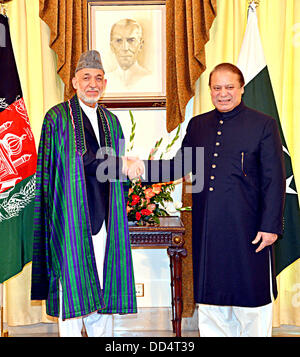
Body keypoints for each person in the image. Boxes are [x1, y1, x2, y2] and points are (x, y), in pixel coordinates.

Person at [135, 63, 286, 337]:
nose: (223, 94)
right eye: (217, 88)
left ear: (241, 89)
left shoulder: (263, 124)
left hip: (250, 232)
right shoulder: (199, 125)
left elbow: (274, 179)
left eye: (229, 87)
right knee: (213, 307)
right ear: (210, 90)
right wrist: (139, 169)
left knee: (252, 306)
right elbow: (179, 166)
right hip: (210, 232)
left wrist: (271, 226)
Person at [31, 50, 139, 337]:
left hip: (106, 218)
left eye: (99, 79)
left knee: (104, 286)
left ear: (105, 84)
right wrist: (124, 165)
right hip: (71, 221)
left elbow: (114, 174)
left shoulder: (112, 121)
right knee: (72, 289)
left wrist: (129, 169)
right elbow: (80, 160)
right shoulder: (57, 118)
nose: (93, 84)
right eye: (86, 78)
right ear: (74, 82)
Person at [105, 18, 151, 92]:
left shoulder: (151, 79)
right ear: (111, 46)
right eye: (118, 41)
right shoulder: (105, 80)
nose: (125, 48)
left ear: (141, 45)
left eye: (131, 40)